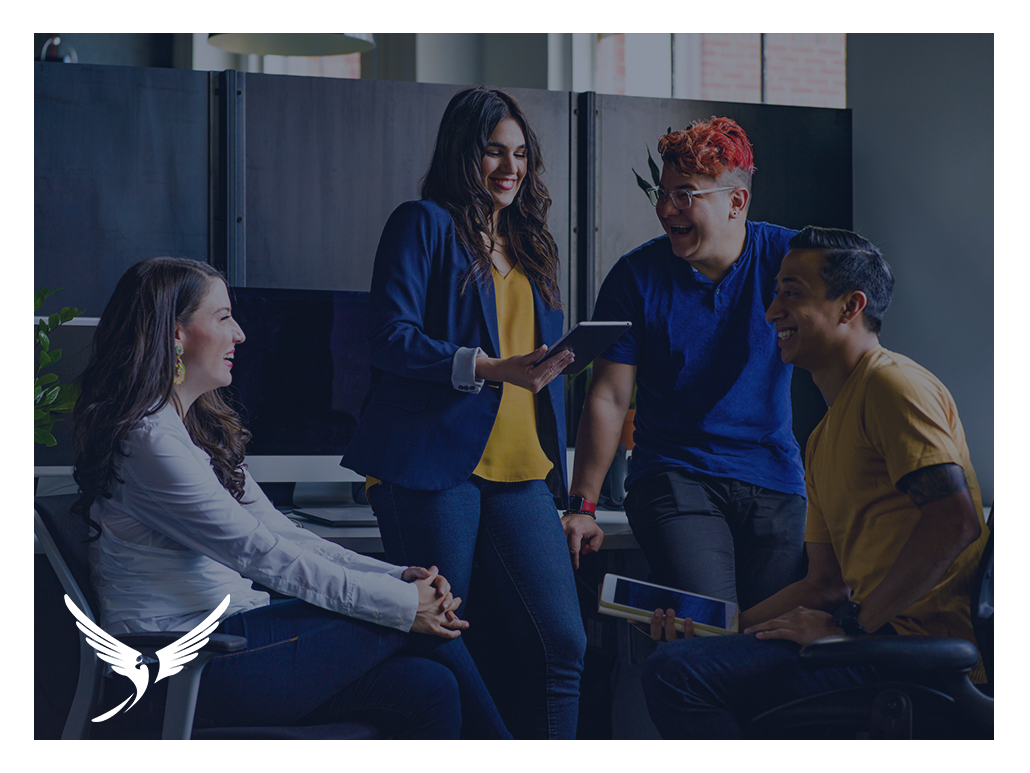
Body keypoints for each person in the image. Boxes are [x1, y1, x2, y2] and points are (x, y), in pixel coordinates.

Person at [71, 256, 509, 739]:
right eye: (223, 318)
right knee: (403, 619)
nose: (239, 334)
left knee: (429, 688)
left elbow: (282, 533)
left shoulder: (191, 431)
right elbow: (257, 552)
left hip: (235, 639)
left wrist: (396, 577)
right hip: (181, 666)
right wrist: (407, 603)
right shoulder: (149, 441)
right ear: (174, 333)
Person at [640, 226, 989, 738]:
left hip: (913, 658)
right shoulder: (823, 436)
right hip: (872, 639)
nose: (772, 311)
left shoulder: (893, 385)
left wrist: (852, 626)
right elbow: (825, 583)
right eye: (776, 291)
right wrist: (719, 631)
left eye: (792, 293)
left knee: (677, 676)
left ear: (850, 306)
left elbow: (954, 521)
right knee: (685, 658)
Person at [341, 87, 586, 739]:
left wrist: (555, 363)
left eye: (521, 155)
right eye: (493, 152)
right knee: (440, 635)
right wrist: (486, 366)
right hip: (432, 465)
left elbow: (528, 362)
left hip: (521, 468)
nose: (510, 168)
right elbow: (388, 336)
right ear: (463, 153)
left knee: (564, 642)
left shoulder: (531, 244)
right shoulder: (422, 223)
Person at [565, 117, 806, 612]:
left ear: (736, 202)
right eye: (664, 193)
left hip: (774, 476)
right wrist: (582, 507)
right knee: (712, 627)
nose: (665, 209)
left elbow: (853, 323)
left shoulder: (789, 258)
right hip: (675, 476)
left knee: (771, 642)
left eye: (685, 194)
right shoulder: (636, 278)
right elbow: (609, 397)